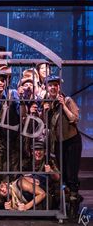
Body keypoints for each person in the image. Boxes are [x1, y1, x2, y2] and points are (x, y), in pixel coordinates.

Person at [44, 75, 83, 220]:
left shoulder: (67, 100)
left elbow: (74, 118)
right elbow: (45, 126)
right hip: (59, 143)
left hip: (72, 141)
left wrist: (64, 106)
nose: (53, 88)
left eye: (55, 85)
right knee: (64, 175)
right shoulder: (48, 104)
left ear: (59, 87)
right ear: (46, 88)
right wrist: (45, 111)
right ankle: (70, 201)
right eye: (50, 85)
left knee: (72, 175)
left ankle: (73, 206)